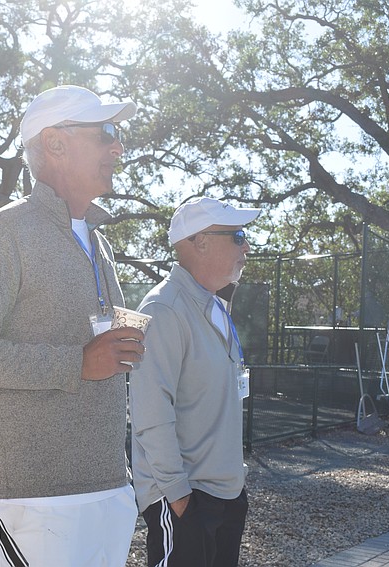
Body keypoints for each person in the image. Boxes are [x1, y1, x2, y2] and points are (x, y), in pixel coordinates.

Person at [0, 85, 144, 566]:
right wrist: (77, 363)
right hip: (35, 498)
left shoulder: (100, 243)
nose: (117, 147)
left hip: (109, 484)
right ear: (54, 143)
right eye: (105, 133)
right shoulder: (0, 234)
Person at [129, 196, 262, 567]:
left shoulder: (217, 306)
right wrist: (178, 497)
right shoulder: (163, 309)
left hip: (226, 495)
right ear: (200, 241)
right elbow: (151, 414)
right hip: (187, 501)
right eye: (237, 236)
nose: (246, 246)